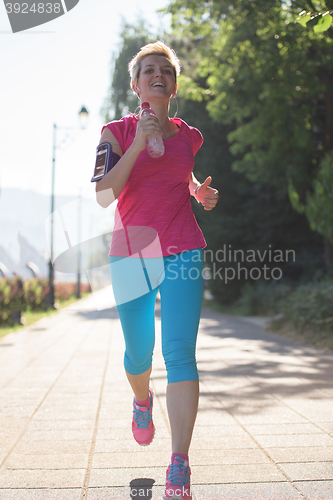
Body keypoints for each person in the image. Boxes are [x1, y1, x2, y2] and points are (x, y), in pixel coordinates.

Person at [95, 41, 219, 500]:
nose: (156, 74)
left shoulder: (190, 136)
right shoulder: (113, 132)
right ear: (135, 84)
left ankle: (180, 465)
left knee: (181, 354)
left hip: (184, 248)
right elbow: (105, 194)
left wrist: (195, 193)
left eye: (165, 69)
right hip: (132, 253)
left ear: (173, 82)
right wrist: (138, 144)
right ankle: (142, 400)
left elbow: (178, 175)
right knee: (138, 355)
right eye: (148, 70)